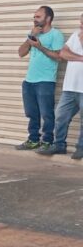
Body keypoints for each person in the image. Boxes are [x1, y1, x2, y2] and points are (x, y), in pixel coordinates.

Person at [17, 6, 65, 151]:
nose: (34, 19)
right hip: (29, 80)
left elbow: (59, 57)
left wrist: (40, 46)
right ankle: (33, 140)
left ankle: (47, 142)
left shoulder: (56, 35)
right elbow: (21, 53)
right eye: (34, 16)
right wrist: (30, 37)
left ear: (48, 18)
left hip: (45, 81)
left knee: (47, 113)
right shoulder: (33, 34)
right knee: (31, 113)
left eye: (38, 17)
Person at [39, 12, 83, 159]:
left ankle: (81, 148)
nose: (80, 25)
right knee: (60, 116)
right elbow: (63, 54)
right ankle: (59, 145)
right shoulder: (75, 34)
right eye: (80, 22)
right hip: (70, 87)